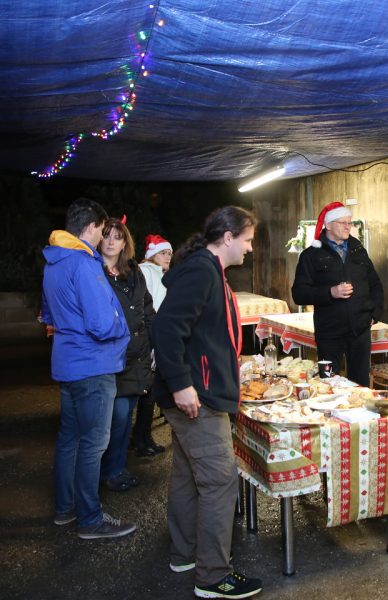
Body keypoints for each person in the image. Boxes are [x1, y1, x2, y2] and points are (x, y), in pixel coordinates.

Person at [152, 206, 262, 599]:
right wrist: (182, 384)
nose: (250, 248)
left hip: (198, 391)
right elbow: (167, 329)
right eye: (247, 240)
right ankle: (213, 576)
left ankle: (184, 554)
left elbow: (206, 331)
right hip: (196, 397)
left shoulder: (208, 269)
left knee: (187, 475)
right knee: (219, 481)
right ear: (228, 237)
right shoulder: (202, 270)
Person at [41, 198, 135, 539]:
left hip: (68, 363)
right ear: (93, 226)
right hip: (93, 365)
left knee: (70, 438)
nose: (103, 238)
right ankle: (90, 519)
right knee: (94, 443)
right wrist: (121, 328)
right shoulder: (83, 263)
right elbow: (100, 323)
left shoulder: (54, 261)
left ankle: (65, 509)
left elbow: (47, 315)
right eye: (102, 230)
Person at [291, 201, 384, 386]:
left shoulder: (359, 251)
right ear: (328, 225)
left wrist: (374, 314)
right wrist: (330, 292)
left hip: (360, 332)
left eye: (349, 222)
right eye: (343, 222)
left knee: (361, 385)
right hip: (329, 334)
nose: (348, 226)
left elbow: (375, 284)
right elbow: (299, 293)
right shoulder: (311, 255)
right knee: (328, 383)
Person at [98, 218, 155, 491]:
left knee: (125, 417)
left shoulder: (133, 271)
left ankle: (116, 468)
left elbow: (147, 308)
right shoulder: (94, 272)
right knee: (117, 419)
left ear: (125, 243)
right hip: (112, 358)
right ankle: (109, 471)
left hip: (138, 356)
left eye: (117, 237)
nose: (111, 241)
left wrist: (154, 344)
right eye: (107, 235)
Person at [131, 233, 173, 457]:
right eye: (163, 253)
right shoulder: (145, 271)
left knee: (150, 391)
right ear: (152, 254)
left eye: (169, 253)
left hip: (157, 335)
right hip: (147, 336)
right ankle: (140, 439)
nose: (167, 257)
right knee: (146, 390)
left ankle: (143, 436)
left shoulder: (161, 273)